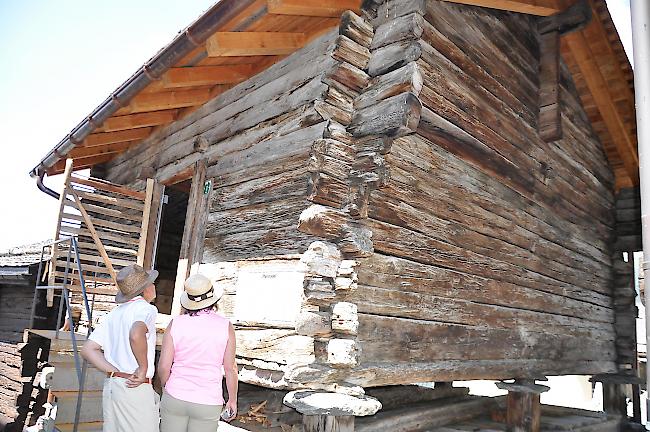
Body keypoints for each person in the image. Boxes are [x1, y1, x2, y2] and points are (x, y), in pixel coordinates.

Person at [81, 264, 159, 432]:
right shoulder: (147, 309)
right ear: (145, 289)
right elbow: (136, 334)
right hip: (135, 386)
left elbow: (88, 349)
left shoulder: (113, 314)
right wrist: (143, 367)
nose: (154, 286)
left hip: (113, 384)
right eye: (152, 283)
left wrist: (115, 371)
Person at [158, 274, 238, 432]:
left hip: (175, 394)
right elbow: (230, 368)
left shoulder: (176, 323)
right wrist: (232, 400)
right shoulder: (225, 326)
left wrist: (166, 386)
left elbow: (164, 366)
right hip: (208, 399)